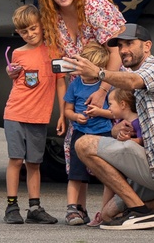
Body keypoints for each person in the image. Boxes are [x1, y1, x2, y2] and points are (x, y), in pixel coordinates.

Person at [69, 23, 154, 231]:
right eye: (121, 46)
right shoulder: (142, 79)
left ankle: (141, 213)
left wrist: (98, 72)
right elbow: (129, 112)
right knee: (107, 215)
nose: (124, 50)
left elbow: (133, 81)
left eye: (130, 44)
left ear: (147, 46)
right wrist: (117, 130)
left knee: (83, 144)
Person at [38, 0, 126, 176]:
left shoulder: (94, 6)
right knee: (75, 149)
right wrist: (65, 111)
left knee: (117, 147)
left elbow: (117, 52)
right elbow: (62, 68)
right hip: (82, 89)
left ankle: (121, 204)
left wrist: (102, 91)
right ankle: (76, 208)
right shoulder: (53, 17)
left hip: (113, 85)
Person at [2, 5, 65, 225]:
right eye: (24, 31)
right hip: (16, 112)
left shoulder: (54, 51)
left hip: (39, 116)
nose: (30, 34)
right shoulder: (18, 53)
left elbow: (60, 84)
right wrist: (10, 72)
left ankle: (35, 207)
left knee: (35, 163)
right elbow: (16, 76)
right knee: (16, 159)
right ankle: (11, 206)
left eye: (32, 28)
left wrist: (63, 114)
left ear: (41, 25)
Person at [61, 41, 113, 226]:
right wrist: (75, 116)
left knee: (108, 173)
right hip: (80, 132)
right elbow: (67, 109)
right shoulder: (75, 85)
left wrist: (100, 112)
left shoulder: (106, 86)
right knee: (76, 173)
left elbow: (114, 112)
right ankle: (72, 209)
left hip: (104, 133)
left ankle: (107, 210)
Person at [84, 87, 140, 227]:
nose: (109, 108)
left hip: (134, 164)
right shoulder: (122, 122)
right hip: (126, 161)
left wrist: (129, 140)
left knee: (112, 180)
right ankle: (105, 212)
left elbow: (143, 140)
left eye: (110, 104)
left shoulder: (137, 122)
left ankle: (108, 213)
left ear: (122, 105)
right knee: (109, 181)